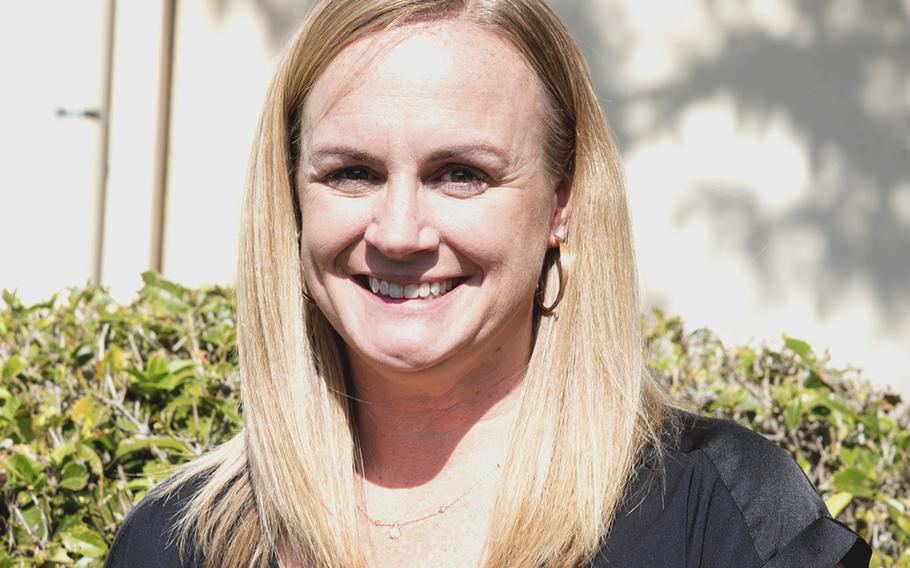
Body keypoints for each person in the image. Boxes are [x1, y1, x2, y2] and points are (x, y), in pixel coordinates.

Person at [104, 0, 872, 566]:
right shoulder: (178, 543)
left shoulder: (721, 515)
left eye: (461, 174)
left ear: (562, 202)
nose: (400, 231)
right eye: (352, 173)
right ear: (293, 200)